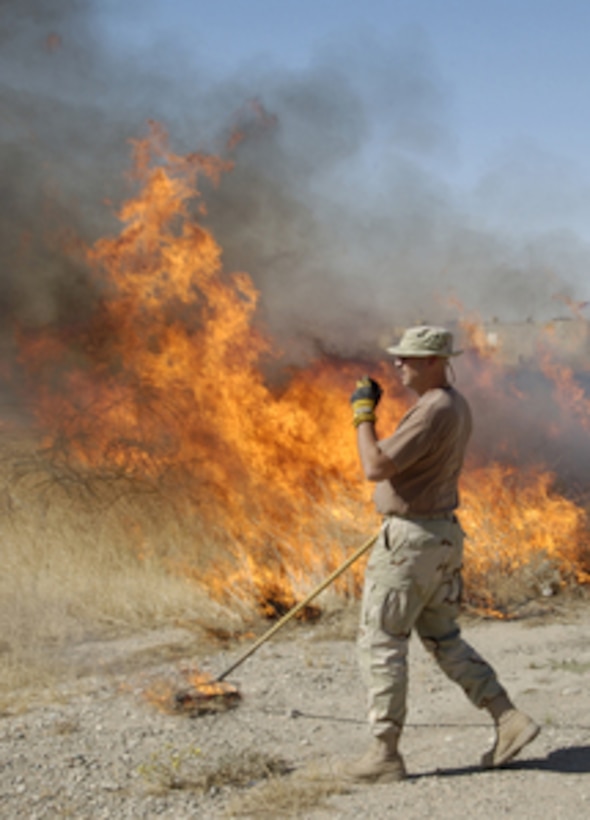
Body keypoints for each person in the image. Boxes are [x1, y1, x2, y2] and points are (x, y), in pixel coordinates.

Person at [338, 324, 539, 784]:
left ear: (433, 362)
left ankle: (384, 754)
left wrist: (362, 414)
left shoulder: (434, 410)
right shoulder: (451, 405)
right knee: (443, 639)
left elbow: (375, 466)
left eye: (407, 358)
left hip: (411, 543)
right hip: (438, 537)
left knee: (383, 640)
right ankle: (508, 719)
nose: (397, 364)